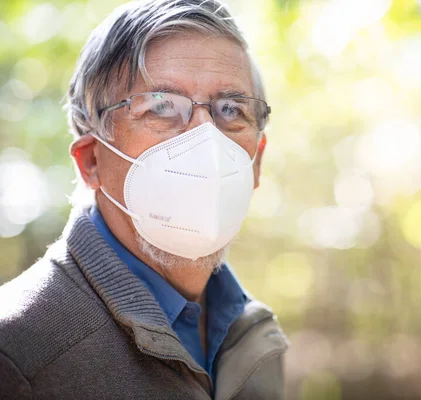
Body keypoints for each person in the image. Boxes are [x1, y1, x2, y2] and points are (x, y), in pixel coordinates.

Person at [0, 0, 288, 398]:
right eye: (161, 107)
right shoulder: (17, 353)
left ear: (257, 162)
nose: (206, 138)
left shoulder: (256, 339)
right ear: (91, 161)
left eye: (230, 109)